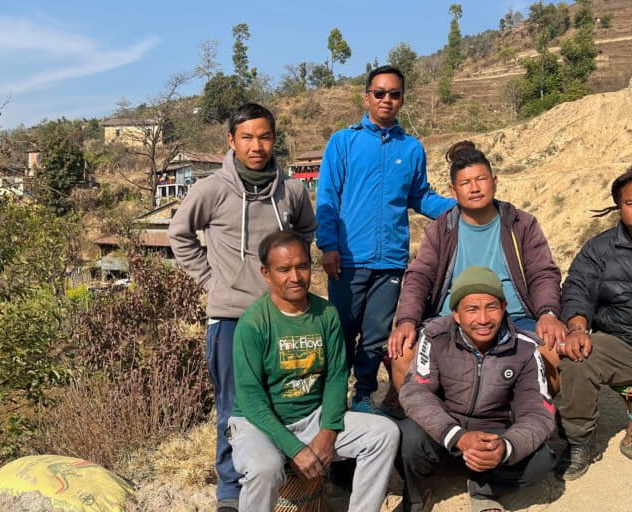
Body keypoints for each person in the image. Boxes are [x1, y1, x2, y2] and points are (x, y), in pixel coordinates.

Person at [168, 103, 317, 512]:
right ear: (231, 141)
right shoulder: (212, 189)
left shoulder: (291, 191)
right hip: (232, 317)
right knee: (233, 406)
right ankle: (230, 492)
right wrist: (212, 281)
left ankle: (282, 475)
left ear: (274, 139)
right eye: (247, 137)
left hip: (282, 316)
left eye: (265, 136)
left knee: (287, 397)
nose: (257, 145)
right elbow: (179, 235)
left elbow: (306, 230)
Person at [315, 65, 455, 413]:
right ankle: (332, 399)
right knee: (342, 333)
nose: (386, 100)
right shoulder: (344, 141)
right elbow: (328, 197)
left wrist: (461, 206)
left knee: (376, 336)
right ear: (367, 97)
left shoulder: (411, 149)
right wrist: (328, 245)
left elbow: (420, 196)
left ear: (402, 100)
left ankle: (363, 395)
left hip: (390, 260)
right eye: (379, 93)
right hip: (347, 259)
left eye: (394, 94)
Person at [228, 231, 399, 512]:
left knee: (384, 434)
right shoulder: (253, 323)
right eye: (283, 269)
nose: (295, 277)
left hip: (312, 418)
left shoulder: (326, 314)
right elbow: (250, 398)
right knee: (264, 468)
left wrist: (328, 432)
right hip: (259, 424)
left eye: (302, 266)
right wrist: (293, 448)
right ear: (266, 274)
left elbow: (335, 377)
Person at [388, 141, 565, 395]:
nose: (474, 188)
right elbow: (419, 277)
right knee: (404, 353)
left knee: (551, 349)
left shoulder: (520, 224)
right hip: (451, 319)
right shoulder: (442, 229)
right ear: (453, 190)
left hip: (514, 317)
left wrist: (548, 312)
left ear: (494, 181)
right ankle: (428, 427)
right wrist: (407, 321)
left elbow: (542, 272)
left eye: (481, 179)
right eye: (465, 183)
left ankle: (535, 421)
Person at [397, 266, 556, 512]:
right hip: (445, 431)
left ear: (504, 308)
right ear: (457, 314)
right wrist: (457, 436)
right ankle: (418, 495)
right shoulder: (435, 336)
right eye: (471, 309)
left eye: (491, 307)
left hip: (492, 435)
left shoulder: (526, 349)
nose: (482, 319)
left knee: (542, 459)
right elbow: (415, 392)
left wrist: (505, 448)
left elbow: (539, 414)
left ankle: (483, 488)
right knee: (406, 437)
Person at [557, 161, 632, 481]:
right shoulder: (600, 247)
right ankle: (579, 442)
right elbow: (577, 290)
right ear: (619, 207)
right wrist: (577, 328)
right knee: (576, 357)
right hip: (620, 345)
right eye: (631, 203)